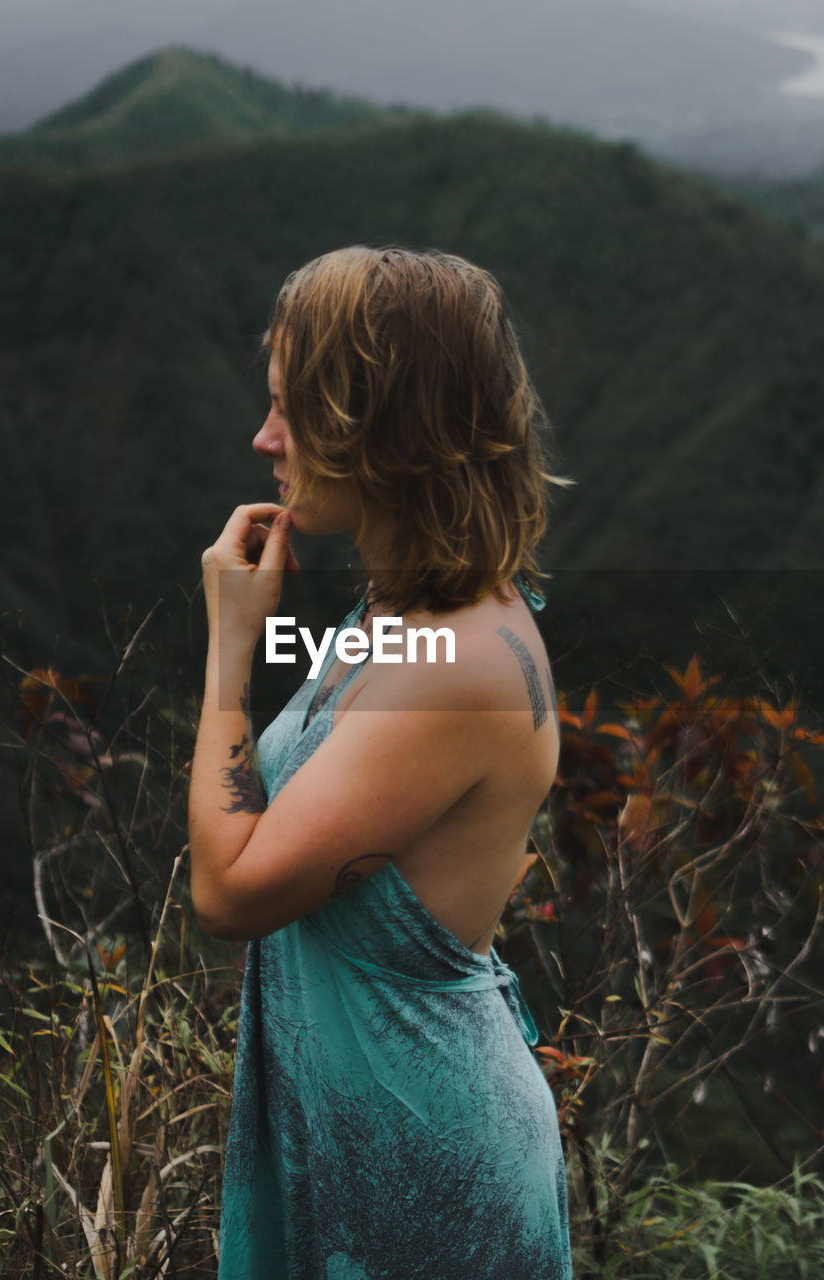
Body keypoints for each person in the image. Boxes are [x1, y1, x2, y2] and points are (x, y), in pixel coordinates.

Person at [189, 247, 572, 1279]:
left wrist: (229, 654)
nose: (263, 438)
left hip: (429, 1176)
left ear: (378, 426)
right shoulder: (399, 611)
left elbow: (229, 891)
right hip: (375, 1138)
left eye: (290, 411)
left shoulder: (455, 666)